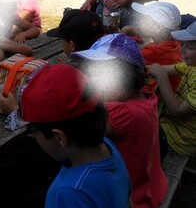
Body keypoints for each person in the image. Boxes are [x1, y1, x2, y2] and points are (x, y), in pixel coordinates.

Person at [71, 33, 168, 208]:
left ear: (129, 77)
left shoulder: (120, 113)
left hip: (132, 198)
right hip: (150, 184)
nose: (92, 81)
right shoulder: (143, 96)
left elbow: (71, 130)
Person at [19, 64, 132, 208]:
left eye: (33, 132)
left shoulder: (70, 193)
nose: (35, 138)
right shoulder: (108, 146)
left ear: (60, 137)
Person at [148, 21, 196, 156]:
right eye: (183, 44)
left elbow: (176, 111)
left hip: (180, 140)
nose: (182, 49)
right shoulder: (191, 66)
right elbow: (159, 69)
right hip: (169, 124)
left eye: (191, 47)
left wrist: (162, 77)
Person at [122, 1, 182, 93]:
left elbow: (120, 55)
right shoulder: (173, 43)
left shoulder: (154, 51)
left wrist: (122, 33)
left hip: (163, 100)